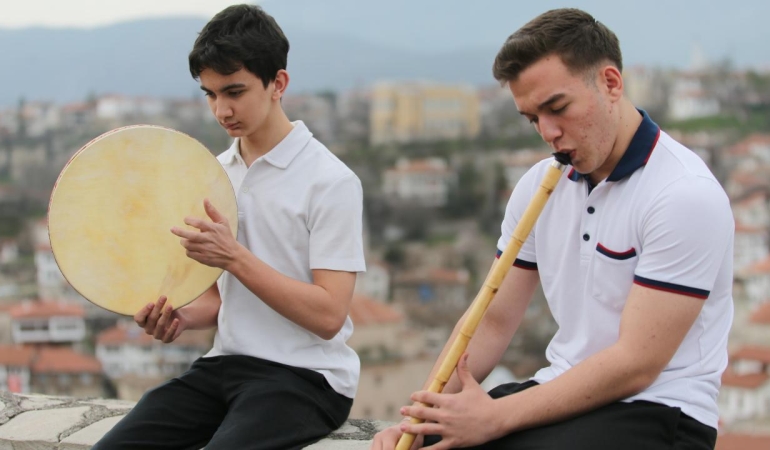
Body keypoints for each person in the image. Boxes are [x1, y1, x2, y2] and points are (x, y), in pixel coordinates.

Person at [372, 8, 732, 450]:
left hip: (659, 409)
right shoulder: (537, 187)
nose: (548, 132)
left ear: (611, 84)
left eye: (557, 108)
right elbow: (493, 320)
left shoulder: (683, 194)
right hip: (559, 391)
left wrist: (496, 417)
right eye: (532, 119)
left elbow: (637, 363)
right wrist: (419, 420)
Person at [94, 4, 366, 450]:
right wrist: (180, 316)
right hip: (225, 365)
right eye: (210, 94)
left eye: (234, 91)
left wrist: (235, 257)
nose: (222, 110)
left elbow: (329, 317)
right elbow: (219, 301)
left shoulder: (331, 181)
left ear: (278, 83)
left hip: (307, 378)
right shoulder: (212, 174)